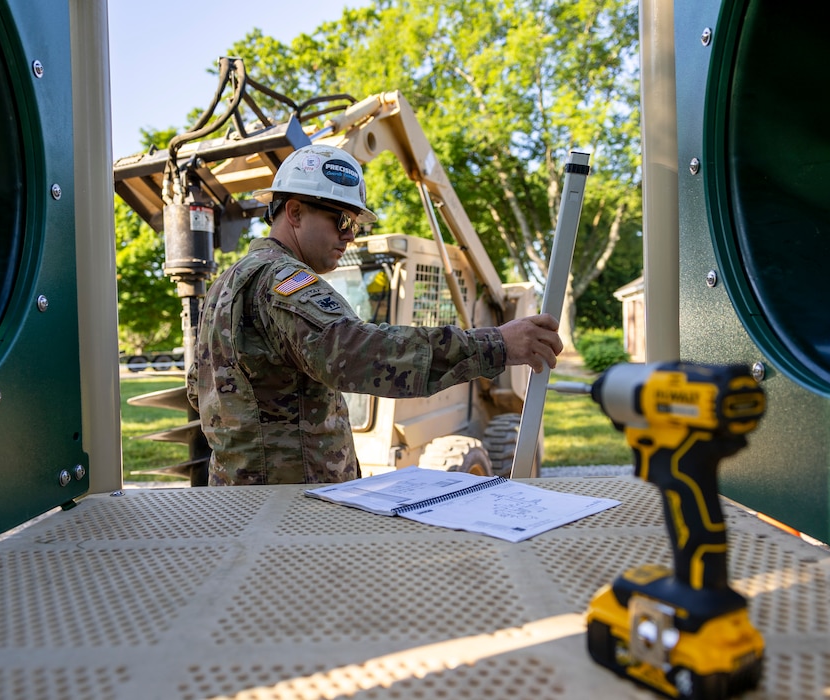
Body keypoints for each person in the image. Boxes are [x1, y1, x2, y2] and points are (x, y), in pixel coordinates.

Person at [187, 144, 563, 486]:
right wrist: (495, 345)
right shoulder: (284, 280)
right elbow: (356, 353)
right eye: (342, 221)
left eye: (355, 224)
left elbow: (197, 385)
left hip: (241, 497)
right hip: (293, 508)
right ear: (295, 212)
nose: (350, 235)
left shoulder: (227, 284)